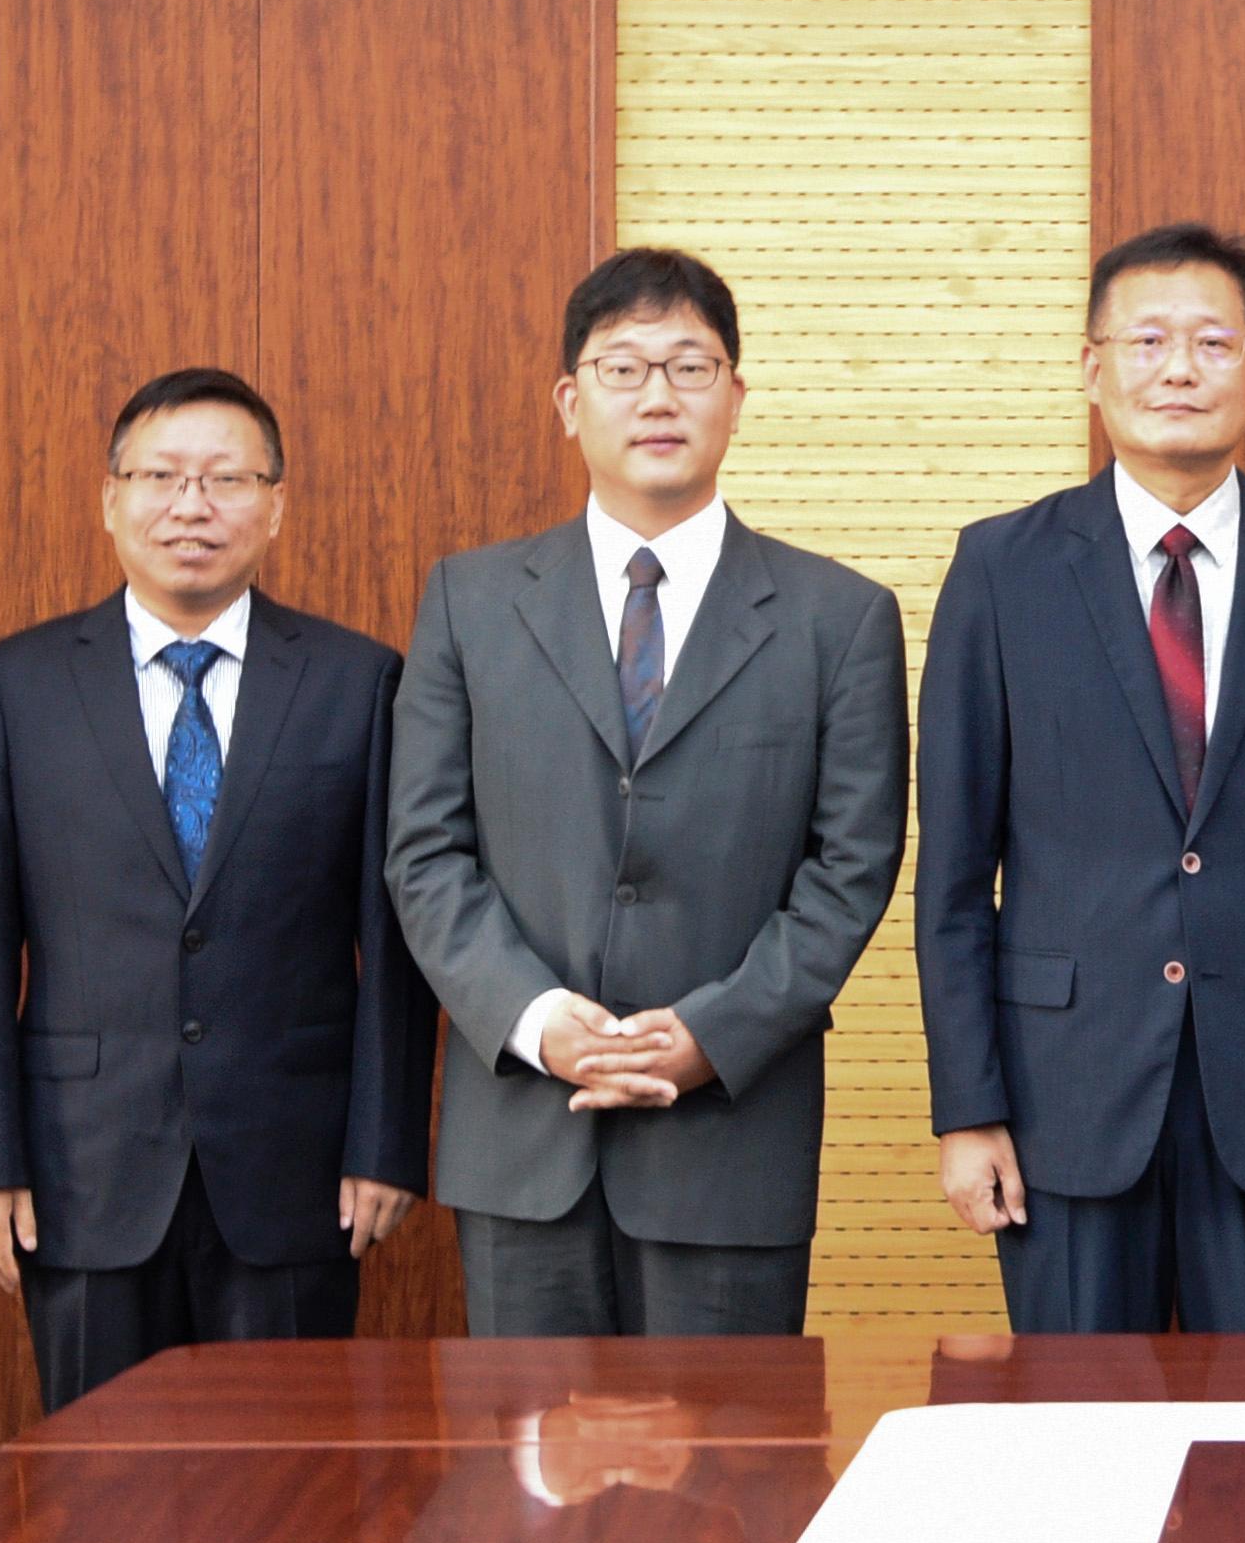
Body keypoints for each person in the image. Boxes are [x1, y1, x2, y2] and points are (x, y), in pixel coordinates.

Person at [381, 250, 910, 1338]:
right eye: (622, 367)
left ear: (736, 396)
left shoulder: (839, 617)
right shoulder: (469, 601)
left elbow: (851, 866)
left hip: (730, 1141)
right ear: (569, 402)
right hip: (525, 1134)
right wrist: (536, 1021)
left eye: (689, 366)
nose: (657, 396)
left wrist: (713, 1032)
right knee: (524, 1452)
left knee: (729, 1451)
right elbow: (425, 853)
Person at [917, 222, 1245, 1334]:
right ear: (1092, 368)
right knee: (1075, 1426)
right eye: (1146, 341)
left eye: (1211, 343)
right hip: (1063, 1095)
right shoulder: (1000, 568)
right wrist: (968, 1110)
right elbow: (952, 878)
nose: (1178, 368)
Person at [0, 367, 439, 1412]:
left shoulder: (357, 683)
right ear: (110, 498)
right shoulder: (16, 686)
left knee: (287, 1478)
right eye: (160, 476)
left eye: (225, 479)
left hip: (296, 1171)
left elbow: (391, 940)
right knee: (96, 1482)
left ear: (275, 505)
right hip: (81, 1171)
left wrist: (383, 1142)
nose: (191, 505)